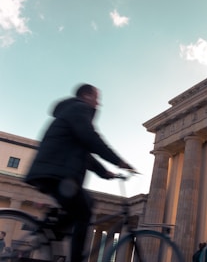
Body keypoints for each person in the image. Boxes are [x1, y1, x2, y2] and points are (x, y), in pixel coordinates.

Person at [25, 84, 134, 262]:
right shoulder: (78, 108)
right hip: (56, 173)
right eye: (96, 98)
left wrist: (105, 173)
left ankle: (47, 233)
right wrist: (119, 161)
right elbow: (91, 139)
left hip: (52, 171)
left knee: (80, 207)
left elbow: (84, 154)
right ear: (86, 95)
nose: (98, 104)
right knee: (84, 211)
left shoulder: (71, 112)